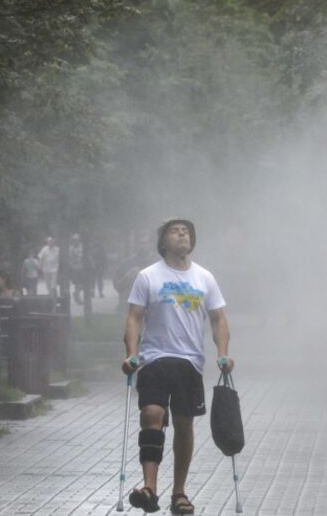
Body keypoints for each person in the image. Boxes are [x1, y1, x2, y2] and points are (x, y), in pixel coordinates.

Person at [120, 218, 233, 515]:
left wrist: (223, 353)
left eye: (186, 231)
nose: (182, 234)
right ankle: (150, 488)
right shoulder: (148, 276)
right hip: (155, 359)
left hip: (190, 362)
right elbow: (134, 317)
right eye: (175, 231)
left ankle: (179, 493)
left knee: (184, 425)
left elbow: (218, 319)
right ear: (163, 242)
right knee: (151, 414)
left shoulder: (204, 278)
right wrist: (131, 353)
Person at [69, 233, 85, 304]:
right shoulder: (71, 248)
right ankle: (78, 299)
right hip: (75, 267)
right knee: (77, 284)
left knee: (84, 284)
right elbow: (70, 258)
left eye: (77, 240)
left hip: (82, 266)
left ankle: (76, 293)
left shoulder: (82, 246)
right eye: (75, 240)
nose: (76, 241)